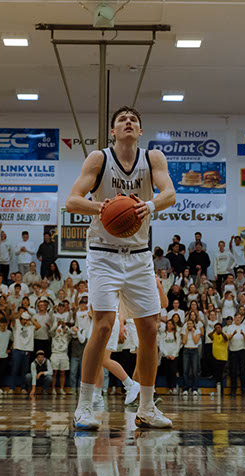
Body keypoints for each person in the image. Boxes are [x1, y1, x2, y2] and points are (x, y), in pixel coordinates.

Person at [66, 105, 175, 431]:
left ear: (140, 131)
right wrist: (104, 207)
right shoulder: (98, 159)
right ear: (113, 131)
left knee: (151, 329)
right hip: (103, 253)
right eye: (122, 121)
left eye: (134, 121)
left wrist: (149, 205)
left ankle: (146, 408)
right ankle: (84, 407)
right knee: (103, 326)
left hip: (139, 254)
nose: (128, 123)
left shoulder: (152, 158)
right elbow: (72, 200)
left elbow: (169, 193)